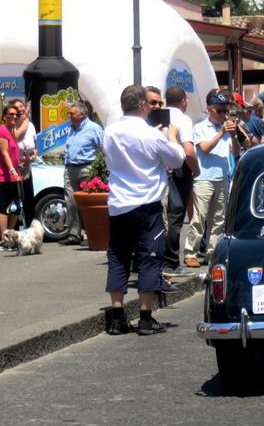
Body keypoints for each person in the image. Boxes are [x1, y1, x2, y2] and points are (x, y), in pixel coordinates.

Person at [103, 85, 185, 336]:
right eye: (149, 104)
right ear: (141, 105)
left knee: (118, 257)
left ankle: (118, 318)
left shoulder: (110, 131)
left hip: (119, 204)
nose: (151, 108)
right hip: (146, 205)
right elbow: (177, 159)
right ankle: (146, 318)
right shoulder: (152, 135)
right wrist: (170, 137)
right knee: (150, 258)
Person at [182, 90, 240, 268]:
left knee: (219, 219)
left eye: (225, 111)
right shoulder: (199, 127)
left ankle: (212, 253)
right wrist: (221, 133)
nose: (223, 114)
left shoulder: (226, 130)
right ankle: (190, 252)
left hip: (222, 178)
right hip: (204, 178)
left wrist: (233, 136)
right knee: (199, 217)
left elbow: (236, 153)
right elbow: (205, 148)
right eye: (219, 110)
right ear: (209, 109)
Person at [162, 85, 200, 276]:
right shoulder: (183, 119)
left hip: (158, 169)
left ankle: (157, 260)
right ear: (183, 101)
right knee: (175, 217)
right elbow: (189, 151)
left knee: (160, 216)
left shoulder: (156, 116)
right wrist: (196, 169)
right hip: (178, 171)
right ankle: (171, 262)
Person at [62, 101, 104, 245]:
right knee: (71, 202)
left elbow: (103, 148)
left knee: (88, 204)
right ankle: (74, 234)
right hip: (70, 169)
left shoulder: (94, 128)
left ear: (82, 114)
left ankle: (90, 234)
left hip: (87, 168)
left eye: (72, 113)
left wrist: (100, 168)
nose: (69, 116)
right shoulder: (72, 128)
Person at [0, 104, 22, 251]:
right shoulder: (1, 131)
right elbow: (4, 153)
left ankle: (9, 236)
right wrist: (13, 170)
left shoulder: (11, 131)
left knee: (16, 206)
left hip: (13, 175)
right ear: (4, 116)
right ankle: (3, 240)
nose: (14, 117)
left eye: (16, 114)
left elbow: (14, 153)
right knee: (5, 205)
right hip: (4, 175)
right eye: (10, 114)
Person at [10, 99, 37, 226]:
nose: (20, 109)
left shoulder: (31, 125)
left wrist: (34, 155)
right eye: (17, 107)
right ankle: (13, 235)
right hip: (13, 170)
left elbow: (35, 146)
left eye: (22, 106)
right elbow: (17, 137)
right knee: (14, 204)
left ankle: (30, 233)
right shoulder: (11, 127)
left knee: (29, 202)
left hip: (27, 170)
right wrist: (25, 118)